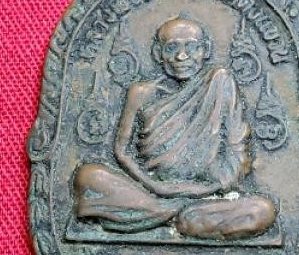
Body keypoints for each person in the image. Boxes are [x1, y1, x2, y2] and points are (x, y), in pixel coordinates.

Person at [74, 14, 276, 240]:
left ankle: (165, 216)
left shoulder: (220, 83)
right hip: (149, 189)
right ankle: (183, 217)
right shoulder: (141, 93)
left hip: (207, 193)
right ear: (157, 53)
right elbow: (122, 151)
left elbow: (237, 151)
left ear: (205, 51)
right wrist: (154, 185)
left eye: (191, 47)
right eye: (171, 48)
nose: (181, 56)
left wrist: (205, 189)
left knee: (262, 210)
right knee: (88, 176)